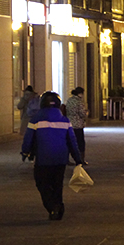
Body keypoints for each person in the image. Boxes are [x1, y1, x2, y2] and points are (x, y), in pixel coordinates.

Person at [20, 91, 83, 221]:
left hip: (43, 159)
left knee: (42, 183)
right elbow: (72, 141)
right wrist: (78, 159)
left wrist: (25, 152)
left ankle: (52, 206)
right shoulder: (65, 121)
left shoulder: (35, 120)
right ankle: (58, 207)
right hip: (60, 159)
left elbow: (28, 138)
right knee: (57, 184)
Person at [63, 87, 88, 162]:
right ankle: (81, 159)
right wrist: (86, 115)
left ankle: (66, 159)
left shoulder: (69, 100)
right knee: (80, 142)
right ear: (80, 93)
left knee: (69, 141)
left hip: (69, 124)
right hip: (78, 124)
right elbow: (82, 113)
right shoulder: (79, 102)